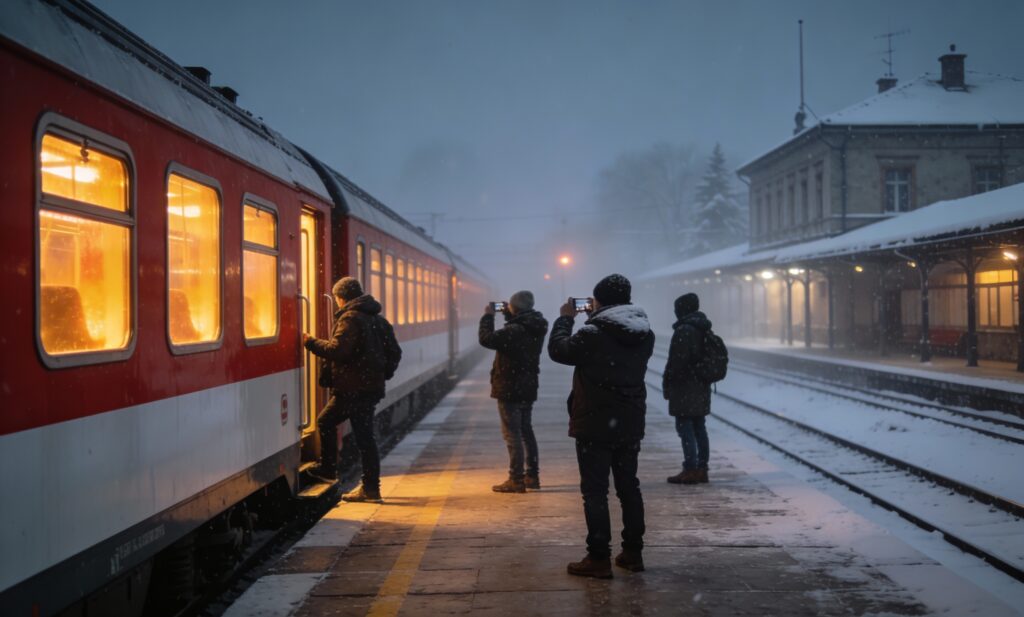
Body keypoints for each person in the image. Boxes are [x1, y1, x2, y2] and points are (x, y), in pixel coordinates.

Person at [548, 274, 655, 578]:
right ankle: (633, 552)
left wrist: (565, 319)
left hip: (594, 423)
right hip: (630, 421)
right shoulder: (644, 333)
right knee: (628, 487)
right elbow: (611, 349)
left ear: (598, 301)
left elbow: (559, 351)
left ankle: (598, 558)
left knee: (595, 492)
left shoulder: (593, 333)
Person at [302, 277, 401, 503]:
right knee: (366, 438)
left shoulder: (350, 318)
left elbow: (338, 350)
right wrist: (381, 375)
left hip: (352, 389)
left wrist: (310, 342)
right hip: (368, 388)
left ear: (341, 298)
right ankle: (370, 489)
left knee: (326, 422)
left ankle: (328, 469)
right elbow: (395, 353)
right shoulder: (379, 320)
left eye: (337, 298)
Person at [479, 291, 549, 493]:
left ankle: (516, 479)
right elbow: (518, 331)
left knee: (512, 433)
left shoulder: (514, 330)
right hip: (528, 386)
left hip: (509, 387)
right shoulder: (535, 325)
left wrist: (488, 317)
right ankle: (532, 476)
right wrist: (510, 315)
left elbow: (486, 339)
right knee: (526, 431)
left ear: (515, 307)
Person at [662, 293, 712, 485]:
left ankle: (691, 469)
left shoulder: (684, 330)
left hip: (684, 388)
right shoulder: (703, 327)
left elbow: (677, 363)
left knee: (685, 429)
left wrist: (669, 384)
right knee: (699, 428)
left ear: (682, 310)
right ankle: (702, 469)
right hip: (701, 386)